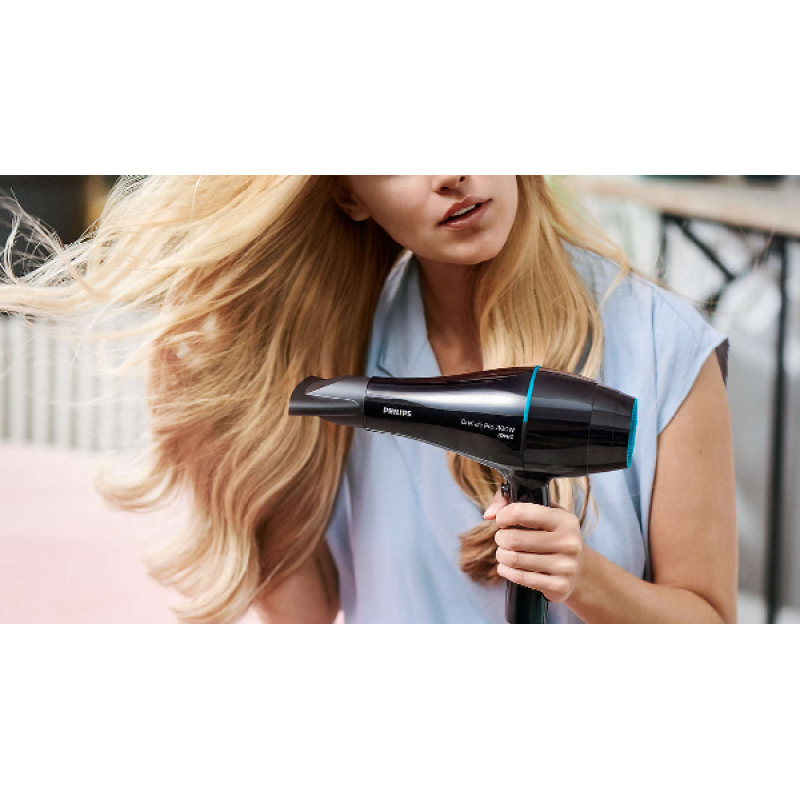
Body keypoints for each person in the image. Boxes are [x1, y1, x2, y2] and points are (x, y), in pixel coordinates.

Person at [0, 175, 737, 623]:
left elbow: (708, 633)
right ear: (350, 195)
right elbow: (306, 614)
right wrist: (217, 454)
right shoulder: (336, 354)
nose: (451, 173)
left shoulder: (661, 344)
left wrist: (585, 580)